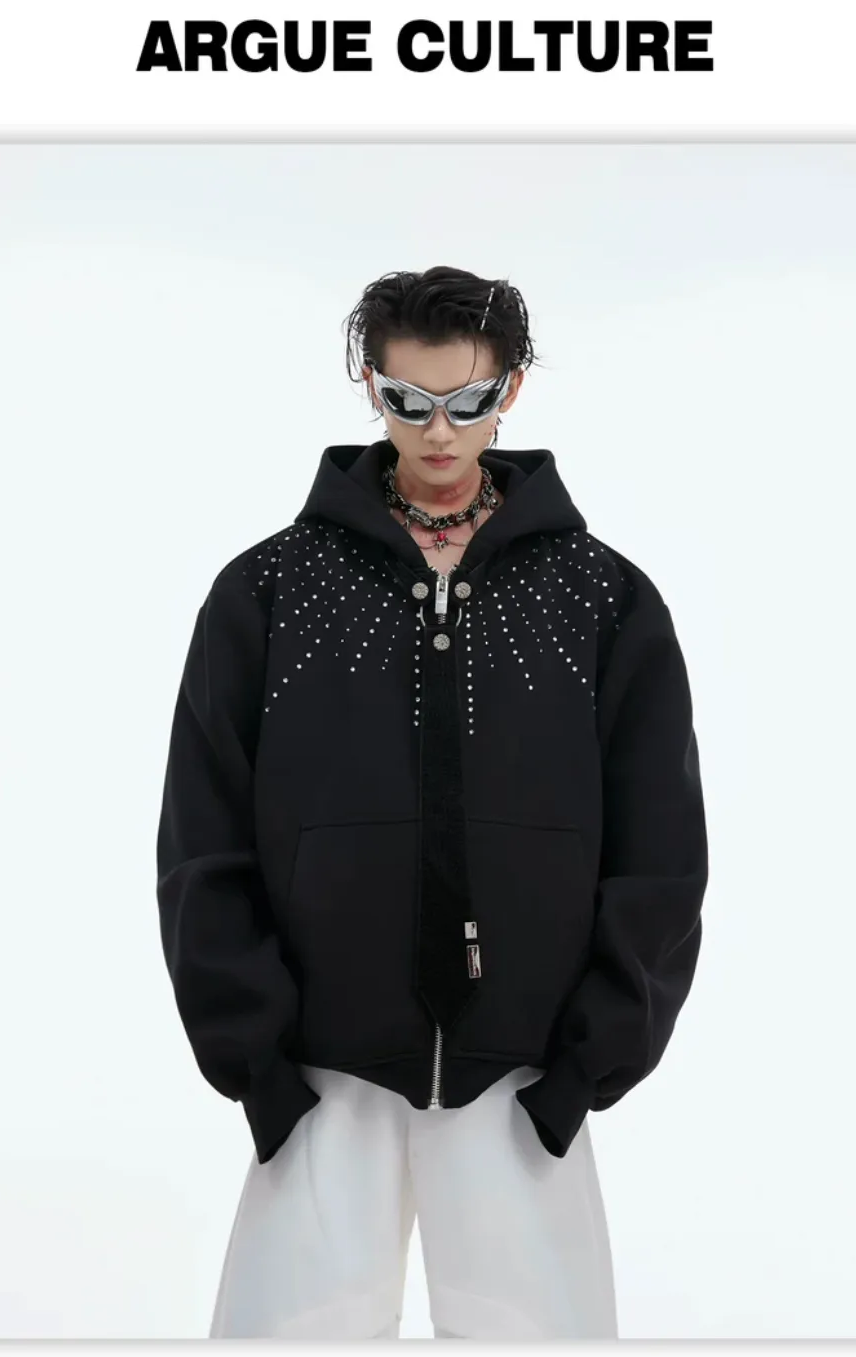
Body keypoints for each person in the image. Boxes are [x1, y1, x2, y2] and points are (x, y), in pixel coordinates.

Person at [155, 265, 709, 1340]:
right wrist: (258, 1064)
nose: (440, 432)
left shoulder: (604, 601)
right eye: (409, 401)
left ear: (513, 389)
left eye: (470, 401)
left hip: (525, 1084)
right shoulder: (267, 592)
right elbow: (200, 839)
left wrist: (583, 1068)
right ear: (371, 385)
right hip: (318, 1075)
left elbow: (662, 854)